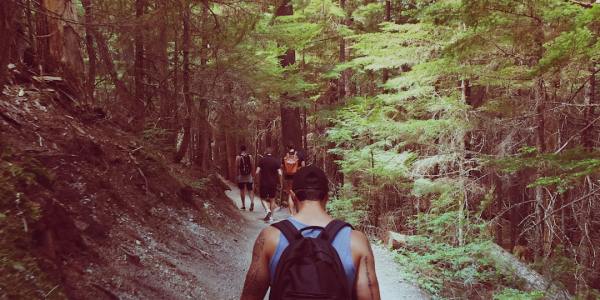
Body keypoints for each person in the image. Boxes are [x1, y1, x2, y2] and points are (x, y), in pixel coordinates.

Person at [240, 166, 381, 300]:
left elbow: (250, 297)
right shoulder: (356, 240)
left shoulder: (270, 237)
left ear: (293, 196)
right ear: (327, 196)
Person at [255, 147, 282, 222]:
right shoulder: (276, 161)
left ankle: (267, 210)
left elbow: (257, 172)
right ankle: (271, 217)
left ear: (265, 152)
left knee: (263, 198)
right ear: (272, 153)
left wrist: (257, 181)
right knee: (272, 199)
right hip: (273, 183)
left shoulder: (262, 160)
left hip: (263, 182)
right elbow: (280, 173)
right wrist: (280, 182)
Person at [281, 144, 305, 215]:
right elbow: (303, 165)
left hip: (288, 177)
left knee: (289, 194)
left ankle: (291, 214)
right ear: (294, 148)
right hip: (297, 176)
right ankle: (298, 212)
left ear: (288, 148)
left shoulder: (285, 156)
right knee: (297, 193)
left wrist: (286, 172)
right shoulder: (299, 155)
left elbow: (282, 166)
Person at [236, 145, 255, 211]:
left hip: (241, 176)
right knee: (250, 190)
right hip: (249, 176)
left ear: (240, 150)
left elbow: (237, 167)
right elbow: (252, 166)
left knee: (242, 190)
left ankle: (243, 205)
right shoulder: (250, 156)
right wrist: (252, 175)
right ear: (246, 149)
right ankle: (252, 202)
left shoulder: (238, 157)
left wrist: (237, 176)